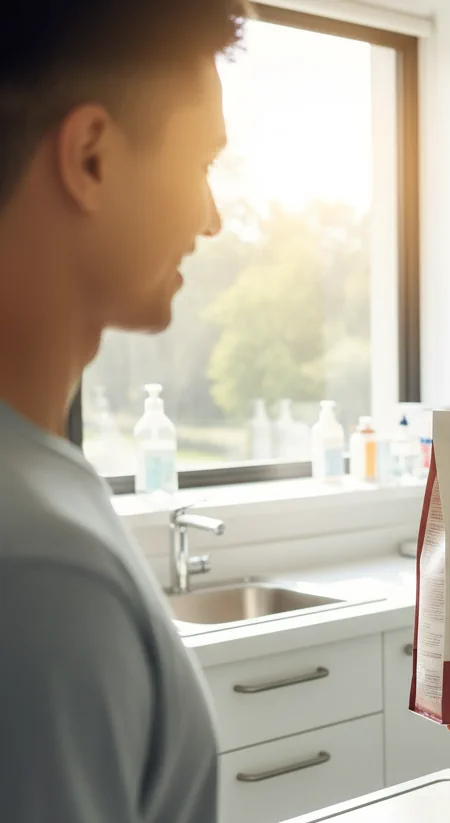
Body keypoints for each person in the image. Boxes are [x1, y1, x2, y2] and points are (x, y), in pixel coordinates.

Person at [0, 2, 249, 821]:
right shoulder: (38, 569)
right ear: (92, 158)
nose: (210, 217)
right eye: (202, 162)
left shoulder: (44, 480)